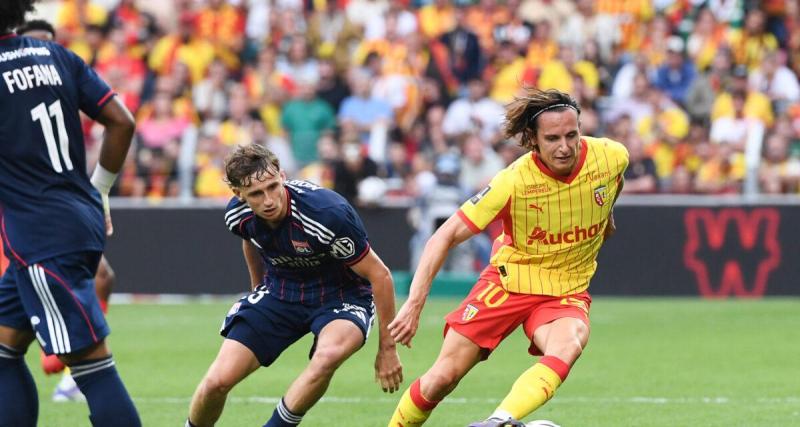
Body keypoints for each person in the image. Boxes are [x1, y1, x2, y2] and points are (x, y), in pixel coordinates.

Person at [387, 88, 629, 427]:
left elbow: (613, 184)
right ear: (532, 140)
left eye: (571, 135)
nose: (565, 147)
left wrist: (607, 218)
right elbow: (444, 236)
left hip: (566, 289)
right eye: (553, 138)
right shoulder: (513, 181)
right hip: (508, 283)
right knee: (442, 377)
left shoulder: (612, 156)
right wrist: (414, 304)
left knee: (568, 345)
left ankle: (498, 421)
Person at [186, 144, 402, 427]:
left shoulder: (326, 214)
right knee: (216, 382)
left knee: (327, 356)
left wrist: (387, 349)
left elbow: (380, 276)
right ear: (239, 195)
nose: (268, 201)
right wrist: (257, 290)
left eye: (273, 187)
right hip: (281, 291)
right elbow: (250, 239)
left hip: (342, 295)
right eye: (256, 194)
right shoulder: (236, 216)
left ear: (282, 176)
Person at [0, 1, 140, 426]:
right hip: (76, 216)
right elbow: (122, 121)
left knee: (92, 367)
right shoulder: (56, 54)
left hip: (41, 238)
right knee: (3, 348)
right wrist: (101, 190)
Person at [16, 16, 119, 403]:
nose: (42, 50)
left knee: (103, 276)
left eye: (49, 41)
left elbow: (118, 121)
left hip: (63, 205)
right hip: (20, 211)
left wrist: (97, 192)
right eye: (35, 42)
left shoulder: (63, 77)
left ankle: (71, 368)